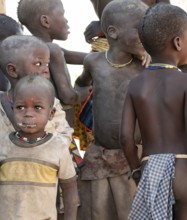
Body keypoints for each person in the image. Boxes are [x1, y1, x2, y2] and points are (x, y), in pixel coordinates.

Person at [0, 34, 76, 218]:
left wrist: (39, 146)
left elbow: (65, 134)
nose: (46, 70)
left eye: (47, 64)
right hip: (7, 198)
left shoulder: (52, 104)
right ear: (13, 70)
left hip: (44, 196)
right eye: (38, 64)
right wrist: (0, 150)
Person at [74, 0, 148, 219]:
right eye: (140, 28)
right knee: (100, 210)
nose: (147, 35)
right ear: (113, 33)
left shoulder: (144, 67)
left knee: (132, 210)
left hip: (134, 158)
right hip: (101, 155)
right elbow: (80, 85)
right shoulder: (94, 62)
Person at [120, 4, 187, 219]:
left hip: (152, 173)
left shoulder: (136, 85)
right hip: (183, 171)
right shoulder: (185, 83)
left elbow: (125, 138)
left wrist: (136, 171)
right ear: (178, 42)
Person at [0, 74, 78, 220]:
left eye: (37, 108)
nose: (28, 114)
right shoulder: (3, 144)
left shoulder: (58, 147)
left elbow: (69, 188)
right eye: (20, 107)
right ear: (12, 108)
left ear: (51, 113)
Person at [17, 0, 86, 128]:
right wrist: (84, 93)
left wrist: (100, 56)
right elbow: (67, 97)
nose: (66, 21)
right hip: (58, 125)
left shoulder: (32, 48)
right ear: (45, 21)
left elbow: (70, 55)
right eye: (62, 15)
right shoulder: (52, 50)